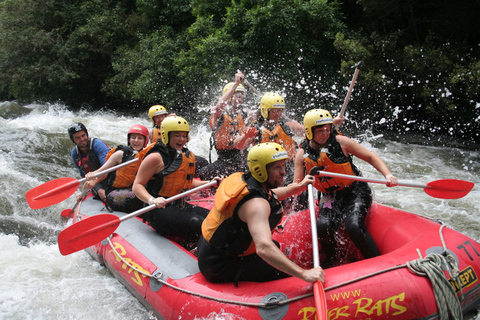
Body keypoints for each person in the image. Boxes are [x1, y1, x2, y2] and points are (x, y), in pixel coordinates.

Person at [197, 142, 325, 285]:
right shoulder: (256, 206)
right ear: (260, 170)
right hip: (219, 266)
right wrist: (304, 274)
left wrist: (298, 187)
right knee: (284, 271)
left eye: (283, 166)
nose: (283, 172)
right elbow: (263, 248)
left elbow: (270, 195)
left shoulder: (248, 180)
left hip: (211, 250)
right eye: (277, 168)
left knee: (275, 245)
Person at [293, 109, 398, 267]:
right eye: (320, 131)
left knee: (354, 226)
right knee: (323, 226)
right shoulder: (302, 154)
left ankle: (378, 263)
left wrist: (387, 174)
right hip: (329, 196)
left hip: (355, 191)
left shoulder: (341, 142)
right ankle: (333, 259)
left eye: (328, 130)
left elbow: (370, 156)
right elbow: (297, 183)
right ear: (309, 131)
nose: (325, 134)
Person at [132, 116, 219, 244]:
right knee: (202, 225)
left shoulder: (185, 155)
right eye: (177, 135)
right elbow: (137, 185)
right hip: (158, 210)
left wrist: (210, 183)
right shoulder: (155, 157)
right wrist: (152, 200)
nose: (182, 139)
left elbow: (187, 182)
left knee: (218, 220)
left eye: (184, 136)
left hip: (180, 205)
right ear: (166, 135)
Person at [198, 71, 257, 180]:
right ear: (229, 96)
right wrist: (235, 84)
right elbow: (220, 105)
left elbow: (260, 114)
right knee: (202, 173)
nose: (240, 99)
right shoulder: (218, 114)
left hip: (242, 157)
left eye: (241, 97)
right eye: (237, 96)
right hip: (225, 160)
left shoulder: (244, 112)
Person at [83, 124, 153, 213]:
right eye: (133, 137)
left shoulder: (148, 156)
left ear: (145, 141)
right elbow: (102, 171)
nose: (136, 141)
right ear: (129, 140)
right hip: (115, 193)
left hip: (136, 190)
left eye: (140, 138)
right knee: (138, 197)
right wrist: (92, 177)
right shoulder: (120, 154)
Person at [245, 92, 304, 184]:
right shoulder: (256, 128)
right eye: (275, 111)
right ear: (266, 111)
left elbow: (309, 129)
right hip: (268, 170)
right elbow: (239, 146)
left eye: (280, 110)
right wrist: (245, 137)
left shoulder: (286, 125)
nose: (278, 114)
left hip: (289, 168)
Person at [68, 122, 110, 203]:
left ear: (87, 134)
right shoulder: (75, 154)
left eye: (83, 135)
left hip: (110, 175)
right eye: (78, 138)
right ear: (73, 140)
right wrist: (83, 192)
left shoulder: (98, 145)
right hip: (96, 180)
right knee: (101, 193)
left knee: (103, 193)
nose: (82, 139)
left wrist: (93, 182)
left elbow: (107, 170)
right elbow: (83, 177)